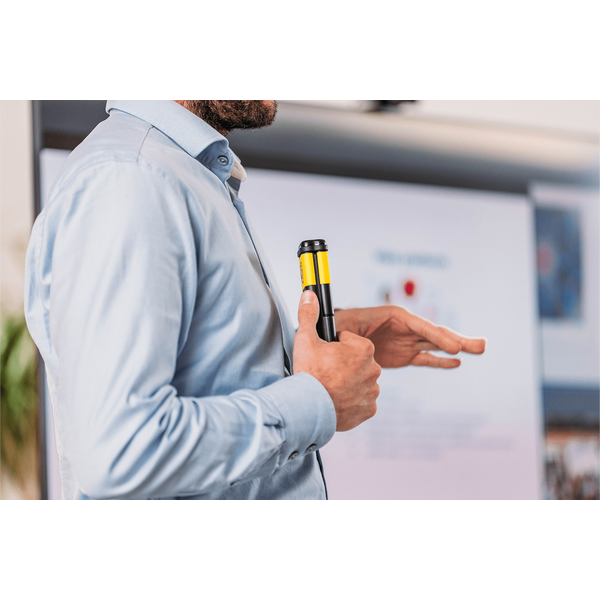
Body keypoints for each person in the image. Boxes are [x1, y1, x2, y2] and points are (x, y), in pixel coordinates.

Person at [24, 100, 486, 500]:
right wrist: (317, 399)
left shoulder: (181, 174)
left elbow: (208, 370)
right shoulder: (131, 178)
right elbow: (120, 450)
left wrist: (324, 342)